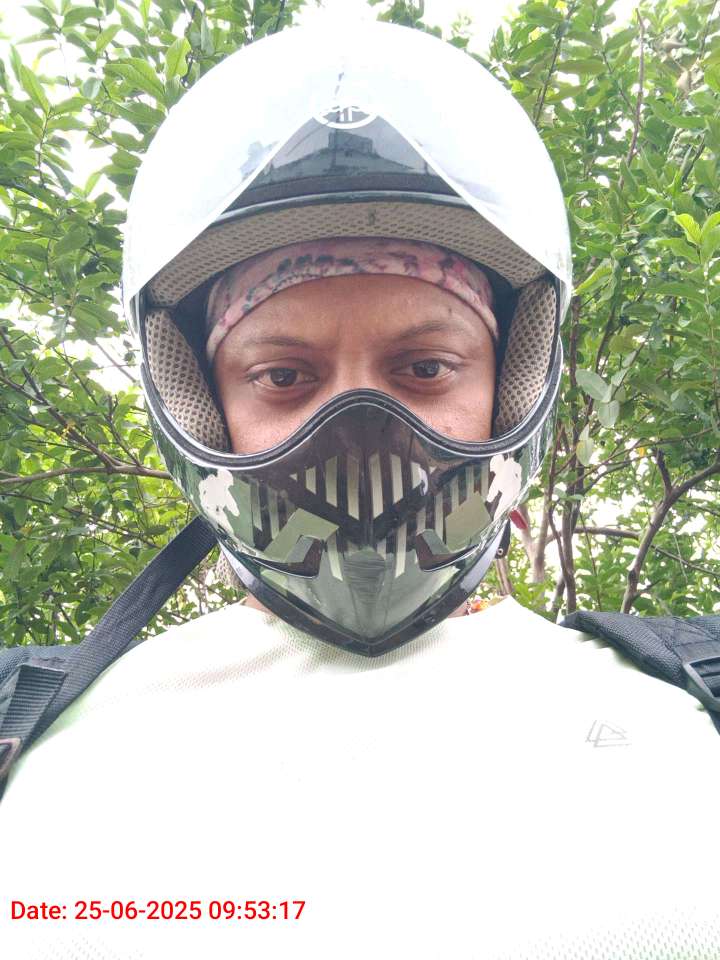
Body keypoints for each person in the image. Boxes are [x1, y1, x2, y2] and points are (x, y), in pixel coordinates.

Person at [1, 19, 719, 960]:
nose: (360, 427)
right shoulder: (28, 734)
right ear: (201, 407)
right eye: (283, 376)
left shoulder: (693, 706)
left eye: (424, 367)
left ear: (512, 386)